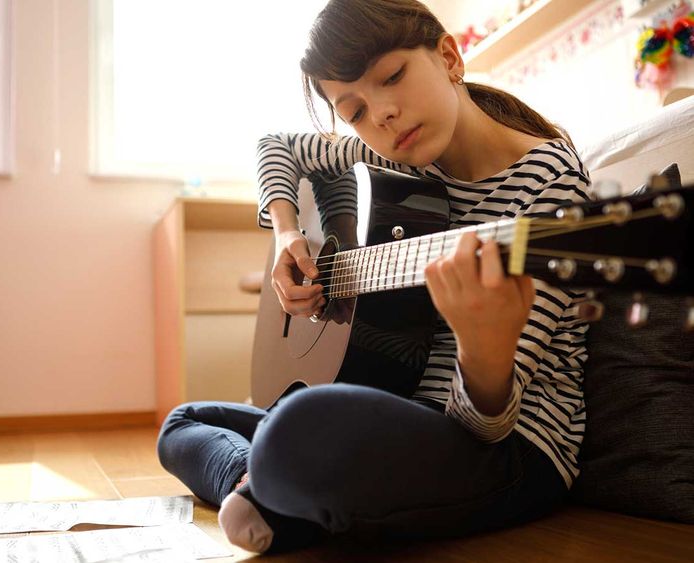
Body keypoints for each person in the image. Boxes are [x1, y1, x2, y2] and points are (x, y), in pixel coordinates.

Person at [157, 0, 591, 554]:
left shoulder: (549, 190)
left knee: (298, 422)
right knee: (184, 421)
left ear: (449, 56)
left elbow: (484, 427)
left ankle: (275, 490)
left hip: (510, 452)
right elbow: (276, 145)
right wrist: (287, 235)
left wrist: (483, 345)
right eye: (355, 110)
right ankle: (262, 483)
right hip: (394, 407)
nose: (381, 115)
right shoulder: (396, 161)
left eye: (392, 77)